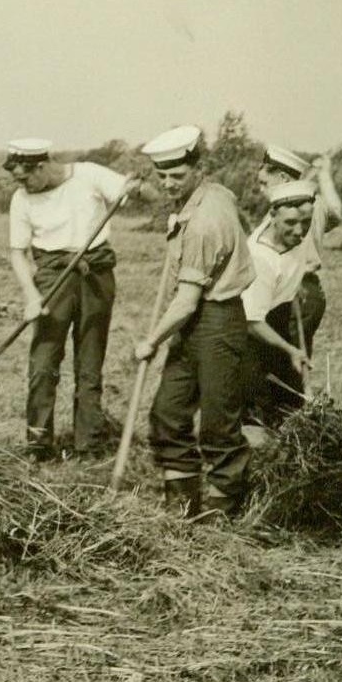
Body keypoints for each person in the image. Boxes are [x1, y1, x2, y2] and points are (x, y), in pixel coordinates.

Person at [135, 125, 255, 518]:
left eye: (177, 175)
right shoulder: (213, 193)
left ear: (196, 167)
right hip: (196, 321)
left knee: (219, 425)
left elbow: (186, 302)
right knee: (168, 412)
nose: (169, 184)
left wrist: (150, 341)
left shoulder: (204, 221)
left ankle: (224, 509)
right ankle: (182, 504)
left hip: (217, 321)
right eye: (162, 175)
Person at [4, 137, 132, 460]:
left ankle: (87, 444)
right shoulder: (21, 199)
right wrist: (32, 296)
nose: (23, 184)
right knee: (43, 362)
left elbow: (130, 189)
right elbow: (18, 253)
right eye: (16, 178)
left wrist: (134, 186)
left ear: (43, 166)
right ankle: (38, 443)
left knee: (90, 361)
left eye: (26, 177)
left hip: (96, 274)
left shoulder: (88, 174)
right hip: (53, 276)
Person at [241, 180, 317, 426]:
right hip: (248, 330)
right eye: (291, 223)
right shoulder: (260, 257)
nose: (299, 231)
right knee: (256, 407)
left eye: (305, 222)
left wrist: (294, 285)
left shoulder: (298, 227)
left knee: (293, 401)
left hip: (279, 312)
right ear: (272, 216)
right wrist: (290, 349)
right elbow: (252, 322)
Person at [256, 144, 342, 353]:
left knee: (285, 362)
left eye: (264, 183)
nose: (260, 189)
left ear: (284, 179)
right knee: (291, 361)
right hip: (305, 294)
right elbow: (337, 214)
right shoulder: (317, 203)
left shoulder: (285, 213)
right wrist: (325, 176)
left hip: (295, 293)